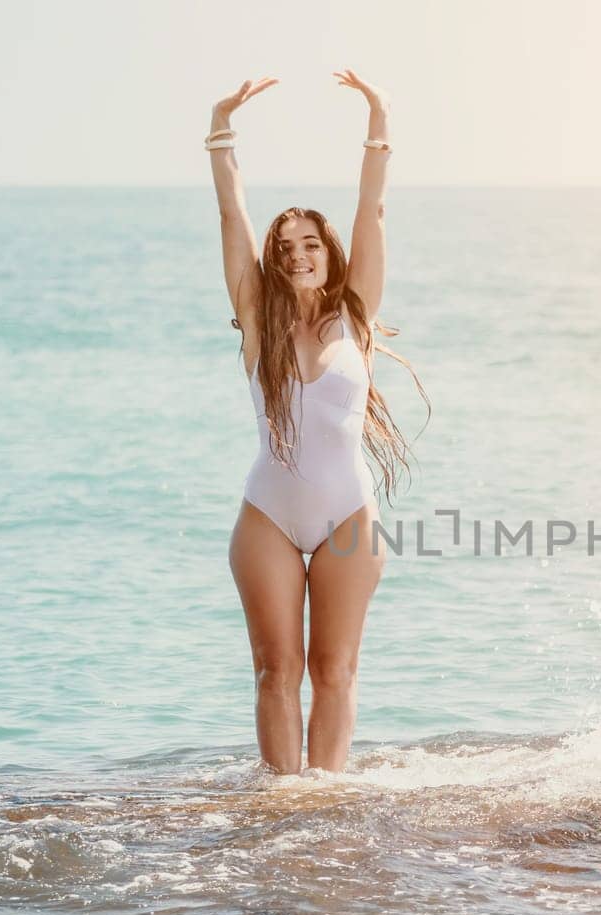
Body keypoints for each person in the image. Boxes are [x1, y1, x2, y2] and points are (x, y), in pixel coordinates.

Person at [207, 70, 425, 775]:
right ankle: (281, 802)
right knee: (277, 671)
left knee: (335, 671)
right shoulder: (256, 319)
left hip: (348, 518)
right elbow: (231, 219)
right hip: (267, 514)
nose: (298, 254)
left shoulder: (354, 316)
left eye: (311, 244)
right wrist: (221, 130)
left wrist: (379, 114)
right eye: (286, 247)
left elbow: (375, 209)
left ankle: (324, 804)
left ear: (330, 254)